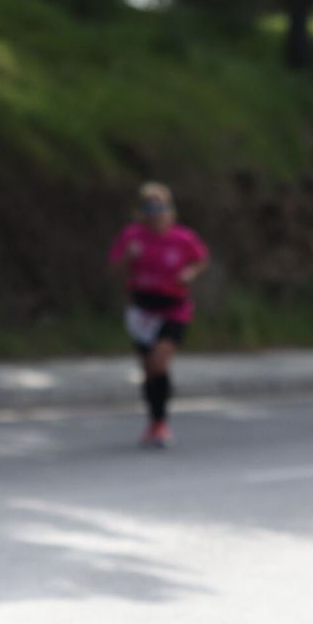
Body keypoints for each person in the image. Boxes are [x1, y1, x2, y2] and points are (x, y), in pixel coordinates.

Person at [107, 182, 209, 448]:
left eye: (161, 207)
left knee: (160, 361)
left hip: (174, 308)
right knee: (149, 370)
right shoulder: (132, 237)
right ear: (142, 212)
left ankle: (162, 423)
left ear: (171, 211)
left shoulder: (182, 238)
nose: (156, 213)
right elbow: (114, 269)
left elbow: (200, 260)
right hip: (143, 310)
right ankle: (154, 421)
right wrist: (127, 259)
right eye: (150, 208)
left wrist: (190, 273)